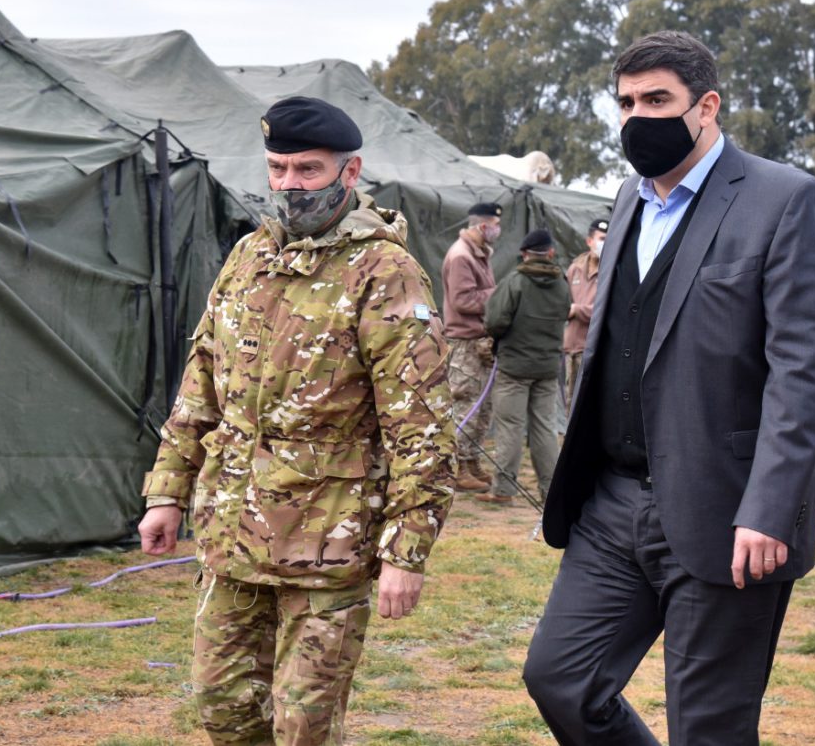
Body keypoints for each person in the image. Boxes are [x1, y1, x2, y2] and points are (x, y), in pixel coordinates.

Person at [523, 31, 815, 746]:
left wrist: (768, 504)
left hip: (727, 509)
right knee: (561, 679)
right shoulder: (631, 198)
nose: (638, 118)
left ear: (707, 106)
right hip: (613, 500)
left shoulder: (784, 199)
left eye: (657, 99)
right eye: (627, 103)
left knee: (711, 725)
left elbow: (801, 368)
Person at [136, 96, 456, 746]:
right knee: (225, 706)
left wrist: (407, 550)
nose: (290, 184)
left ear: (351, 171)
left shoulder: (385, 271)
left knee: (304, 722)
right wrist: (167, 491)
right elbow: (200, 380)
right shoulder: (248, 257)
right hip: (233, 535)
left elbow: (420, 424)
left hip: (328, 540)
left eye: (308, 169)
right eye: (278, 168)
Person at [477, 229, 572, 505]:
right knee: (544, 428)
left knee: (510, 427)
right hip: (547, 368)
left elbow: (494, 321)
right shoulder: (562, 284)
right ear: (551, 252)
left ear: (524, 253)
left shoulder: (515, 282)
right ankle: (550, 491)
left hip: (514, 367)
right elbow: (566, 314)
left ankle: (504, 490)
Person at [441, 201, 501, 492]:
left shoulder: (480, 255)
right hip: (464, 342)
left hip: (480, 342)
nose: (497, 231)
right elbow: (463, 301)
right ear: (482, 226)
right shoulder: (461, 256)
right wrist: (498, 296)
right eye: (494, 225)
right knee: (465, 405)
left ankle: (471, 460)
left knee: (482, 409)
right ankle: (455, 466)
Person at [563, 218, 609, 406]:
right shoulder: (575, 269)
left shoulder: (612, 268)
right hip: (571, 347)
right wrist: (568, 309)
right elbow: (563, 302)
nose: (604, 243)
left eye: (607, 238)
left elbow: (607, 308)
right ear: (589, 241)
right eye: (601, 238)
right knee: (570, 400)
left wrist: (577, 310)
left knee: (590, 402)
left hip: (594, 347)